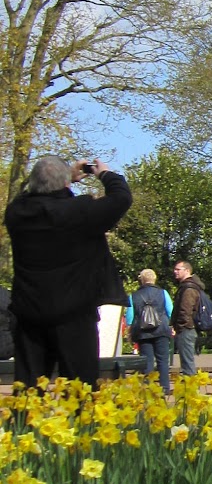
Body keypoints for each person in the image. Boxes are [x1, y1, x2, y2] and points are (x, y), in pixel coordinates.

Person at [4, 156, 132, 387]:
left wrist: (65, 176)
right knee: (78, 390)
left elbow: (25, 194)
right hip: (75, 313)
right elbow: (121, 197)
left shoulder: (17, 214)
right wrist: (104, 173)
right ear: (65, 184)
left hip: (30, 314)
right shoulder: (80, 212)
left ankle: (24, 423)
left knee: (27, 393)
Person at [128, 269, 173, 394]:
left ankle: (147, 389)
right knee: (163, 360)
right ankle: (164, 388)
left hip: (142, 333)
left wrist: (130, 331)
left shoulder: (134, 296)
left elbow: (130, 317)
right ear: (154, 279)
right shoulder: (163, 293)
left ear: (141, 280)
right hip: (161, 330)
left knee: (146, 361)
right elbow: (170, 311)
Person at [171, 260, 208, 378]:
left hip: (186, 329)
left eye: (178, 269)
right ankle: (189, 388)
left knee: (187, 363)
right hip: (188, 327)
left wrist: (179, 327)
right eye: (175, 269)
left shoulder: (189, 288)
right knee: (187, 361)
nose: (175, 271)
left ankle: (191, 391)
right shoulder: (188, 287)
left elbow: (185, 310)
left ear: (187, 271)